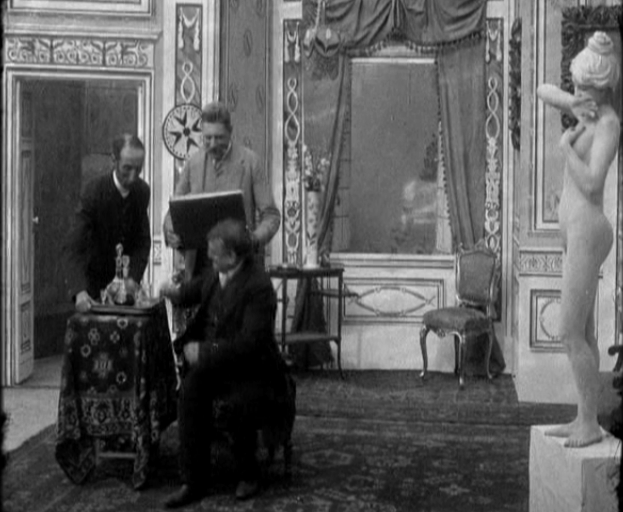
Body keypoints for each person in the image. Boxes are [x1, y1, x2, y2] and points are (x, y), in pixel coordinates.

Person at [160, 219, 292, 507]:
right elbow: (194, 290)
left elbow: (249, 344)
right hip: (218, 363)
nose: (209, 260)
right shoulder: (217, 273)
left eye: (214, 255)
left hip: (253, 368)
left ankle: (248, 474)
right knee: (190, 392)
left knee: (239, 402)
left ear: (232, 256)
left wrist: (206, 351)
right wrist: (173, 292)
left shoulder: (259, 287)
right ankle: (193, 481)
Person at [537, 31, 620, 448]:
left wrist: (565, 147)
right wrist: (571, 103)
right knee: (583, 332)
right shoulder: (586, 111)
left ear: (601, 86)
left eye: (584, 86)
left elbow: (591, 183)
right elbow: (541, 90)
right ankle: (584, 417)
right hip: (576, 229)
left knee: (569, 331)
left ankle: (589, 422)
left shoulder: (608, 124)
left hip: (588, 229)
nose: (577, 91)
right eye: (576, 85)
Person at [163, 101, 280, 276]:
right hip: (199, 267)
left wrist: (254, 239)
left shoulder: (250, 162)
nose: (212, 144)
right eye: (207, 138)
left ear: (230, 132)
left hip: (238, 264)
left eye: (219, 138)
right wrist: (170, 231)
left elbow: (271, 215)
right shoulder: (193, 163)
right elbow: (173, 210)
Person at [64, 134, 151, 312]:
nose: (133, 177)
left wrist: (133, 279)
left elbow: (143, 241)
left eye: (138, 169)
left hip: (125, 289)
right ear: (114, 160)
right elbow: (74, 245)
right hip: (92, 288)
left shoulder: (142, 191)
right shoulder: (93, 191)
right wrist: (79, 291)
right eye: (127, 168)